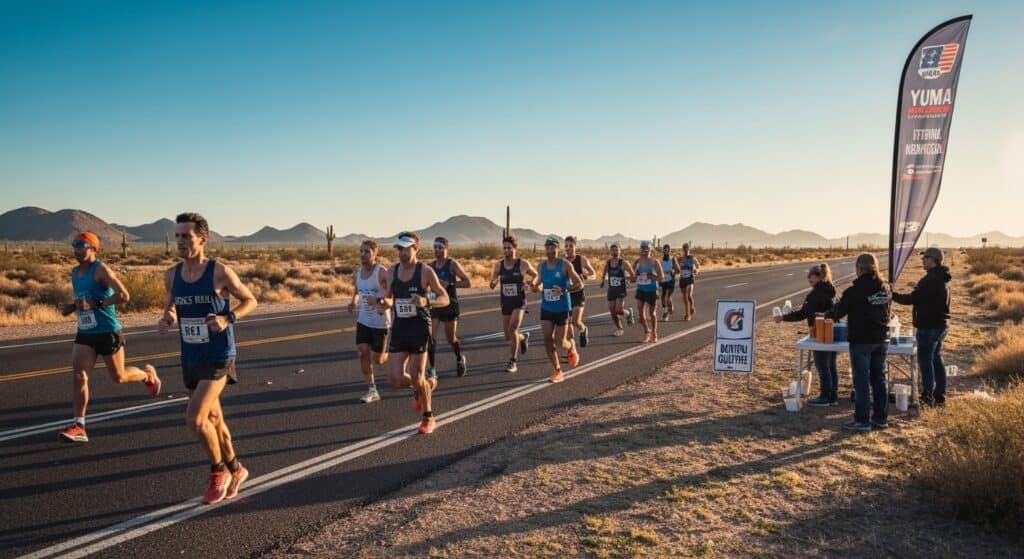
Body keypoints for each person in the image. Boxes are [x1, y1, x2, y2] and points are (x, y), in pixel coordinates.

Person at [158, 213, 258, 504]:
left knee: (195, 418)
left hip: (219, 355)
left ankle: (218, 472)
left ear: (202, 239)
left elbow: (251, 300)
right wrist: (167, 319)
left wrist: (228, 318)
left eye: (186, 236)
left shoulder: (219, 272)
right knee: (214, 419)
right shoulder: (171, 275)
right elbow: (171, 308)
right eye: (177, 236)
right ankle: (237, 468)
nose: (180, 242)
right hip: (191, 355)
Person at [57, 231, 162, 443]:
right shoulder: (75, 272)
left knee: (119, 377)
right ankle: (79, 425)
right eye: (74, 245)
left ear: (93, 249)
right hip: (85, 333)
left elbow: (124, 296)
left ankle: (147, 376)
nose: (76, 249)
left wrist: (96, 304)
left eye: (81, 245)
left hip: (107, 331)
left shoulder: (101, 270)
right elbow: (82, 299)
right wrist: (70, 307)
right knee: (79, 376)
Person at [381, 232, 450, 434]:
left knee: (415, 375)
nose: (401, 252)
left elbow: (444, 298)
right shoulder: (391, 271)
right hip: (400, 327)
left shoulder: (425, 271)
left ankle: (428, 416)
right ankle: (425, 385)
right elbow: (390, 298)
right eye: (399, 248)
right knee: (394, 378)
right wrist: (384, 303)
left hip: (419, 327)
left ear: (416, 248)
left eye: (405, 247)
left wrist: (426, 301)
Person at [828, 253, 891, 432]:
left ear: (859, 269)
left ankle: (862, 420)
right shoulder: (884, 287)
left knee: (862, 380)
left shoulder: (855, 290)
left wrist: (827, 314)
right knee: (879, 378)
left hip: (862, 340)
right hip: (882, 338)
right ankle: (880, 418)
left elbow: (838, 312)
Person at [892, 247, 952, 406]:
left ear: (933, 260)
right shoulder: (942, 277)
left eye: (925, 258)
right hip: (940, 325)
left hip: (930, 327)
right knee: (936, 359)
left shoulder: (931, 280)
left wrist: (892, 295)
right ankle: (939, 396)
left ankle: (928, 397)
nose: (922, 260)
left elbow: (912, 298)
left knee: (926, 362)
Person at [775, 263, 838, 406]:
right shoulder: (831, 289)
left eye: (810, 276)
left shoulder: (816, 294)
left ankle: (824, 397)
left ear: (817, 277)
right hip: (833, 330)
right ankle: (833, 397)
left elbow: (803, 313)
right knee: (831, 365)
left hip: (820, 331)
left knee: (822, 365)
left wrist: (783, 318)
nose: (808, 278)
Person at [529, 238, 584, 383]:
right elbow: (539, 282)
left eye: (553, 248)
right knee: (547, 339)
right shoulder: (541, 266)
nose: (550, 251)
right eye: (548, 248)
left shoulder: (565, 265)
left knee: (560, 342)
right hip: (547, 308)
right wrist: (534, 286)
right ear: (545, 250)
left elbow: (580, 284)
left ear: (558, 249)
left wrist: (564, 289)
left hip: (562, 309)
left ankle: (571, 345)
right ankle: (558, 370)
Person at [347, 239, 390, 404]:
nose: (363, 255)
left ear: (375, 253)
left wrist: (379, 300)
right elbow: (358, 291)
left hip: (380, 321)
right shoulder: (358, 272)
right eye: (361, 251)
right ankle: (372, 389)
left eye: (367, 252)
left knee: (377, 360)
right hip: (364, 320)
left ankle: (396, 356)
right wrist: (353, 302)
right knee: (362, 352)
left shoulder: (381, 272)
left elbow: (391, 294)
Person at [489, 235, 537, 373]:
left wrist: (529, 283)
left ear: (515, 248)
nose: (506, 250)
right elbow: (492, 282)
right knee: (508, 336)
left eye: (509, 248)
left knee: (513, 328)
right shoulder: (499, 265)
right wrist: (493, 282)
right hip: (505, 302)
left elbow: (536, 275)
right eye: (504, 248)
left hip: (519, 302)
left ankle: (513, 361)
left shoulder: (523, 264)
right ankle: (523, 337)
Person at [427, 237, 471, 378]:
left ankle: (459, 359)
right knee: (430, 338)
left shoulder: (452, 264)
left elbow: (467, 282)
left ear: (446, 249)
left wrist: (451, 284)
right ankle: (432, 369)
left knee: (450, 339)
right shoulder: (430, 267)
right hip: (435, 304)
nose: (437, 250)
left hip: (450, 305)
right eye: (435, 247)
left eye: (440, 247)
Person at [564, 236, 595, 348]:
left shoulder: (581, 259)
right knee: (567, 322)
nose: (568, 248)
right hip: (567, 294)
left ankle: (583, 329)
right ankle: (572, 348)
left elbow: (593, 273)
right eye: (566, 246)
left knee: (575, 321)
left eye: (571, 246)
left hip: (579, 294)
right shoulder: (563, 262)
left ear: (575, 247)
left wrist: (585, 276)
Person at [599, 243, 636, 336]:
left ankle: (628, 314)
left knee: (618, 310)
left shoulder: (623, 263)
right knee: (612, 310)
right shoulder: (608, 262)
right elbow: (604, 271)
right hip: (612, 290)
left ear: (620, 251)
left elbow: (633, 274)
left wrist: (628, 279)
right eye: (613, 249)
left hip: (620, 290)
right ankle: (620, 329)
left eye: (616, 249)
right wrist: (603, 280)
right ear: (610, 251)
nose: (614, 251)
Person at [633, 240, 665, 343]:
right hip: (641, 290)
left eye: (647, 249)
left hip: (652, 290)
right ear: (640, 249)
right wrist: (632, 277)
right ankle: (647, 331)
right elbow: (632, 277)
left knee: (652, 313)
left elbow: (661, 278)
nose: (645, 251)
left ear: (650, 250)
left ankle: (654, 332)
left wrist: (651, 276)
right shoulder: (637, 262)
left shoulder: (654, 262)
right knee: (641, 315)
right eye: (643, 248)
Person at [678, 243, 700, 320]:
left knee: (689, 296)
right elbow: (676, 267)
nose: (685, 249)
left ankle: (689, 312)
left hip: (690, 278)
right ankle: (688, 312)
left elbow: (698, 266)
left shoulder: (692, 258)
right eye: (684, 248)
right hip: (682, 279)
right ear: (683, 249)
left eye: (687, 248)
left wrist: (696, 271)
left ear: (689, 249)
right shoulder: (680, 258)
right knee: (684, 297)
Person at [658, 244, 679, 321]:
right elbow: (658, 271)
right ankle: (670, 306)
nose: (667, 251)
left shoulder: (673, 259)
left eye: (668, 250)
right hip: (663, 281)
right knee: (663, 300)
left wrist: (673, 271)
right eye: (665, 250)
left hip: (670, 281)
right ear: (663, 250)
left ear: (670, 250)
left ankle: (666, 314)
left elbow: (678, 270)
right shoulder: (661, 261)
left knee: (667, 297)